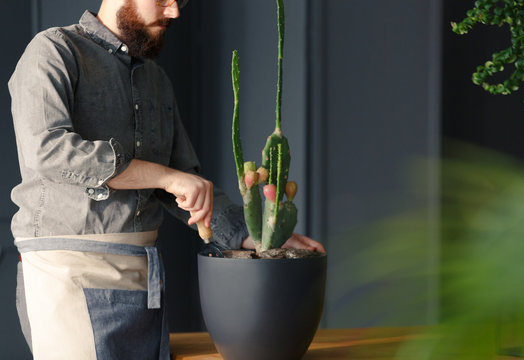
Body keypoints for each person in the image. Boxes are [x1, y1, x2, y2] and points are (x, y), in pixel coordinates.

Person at [8, 0, 324, 359]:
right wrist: (167, 177)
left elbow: (183, 181)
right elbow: (48, 152)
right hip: (66, 274)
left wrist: (254, 235)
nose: (174, 12)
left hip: (143, 281)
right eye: (163, 0)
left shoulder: (154, 78)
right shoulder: (54, 50)